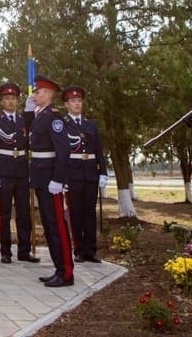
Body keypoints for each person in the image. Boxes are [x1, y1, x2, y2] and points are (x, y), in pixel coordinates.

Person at [0, 82, 39, 264]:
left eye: (14, 98)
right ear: (1, 101)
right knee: (5, 214)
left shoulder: (24, 121)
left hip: (22, 171)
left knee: (24, 213)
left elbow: (31, 144)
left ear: (17, 101)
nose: (11, 101)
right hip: (4, 172)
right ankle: (6, 252)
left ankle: (24, 251)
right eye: (7, 98)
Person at [28, 74, 74, 287]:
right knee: (48, 225)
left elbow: (63, 151)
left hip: (50, 181)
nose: (34, 95)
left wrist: (58, 179)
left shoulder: (54, 118)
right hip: (41, 178)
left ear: (47, 94)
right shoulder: (41, 116)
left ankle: (66, 273)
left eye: (37, 92)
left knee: (57, 226)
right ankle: (58, 268)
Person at [61, 84, 108, 264]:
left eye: (79, 100)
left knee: (90, 213)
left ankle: (91, 250)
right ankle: (79, 250)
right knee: (76, 213)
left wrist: (103, 172)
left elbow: (99, 150)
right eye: (73, 101)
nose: (77, 104)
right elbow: (62, 154)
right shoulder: (63, 125)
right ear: (66, 104)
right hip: (73, 174)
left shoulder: (91, 125)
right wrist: (63, 177)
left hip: (90, 173)